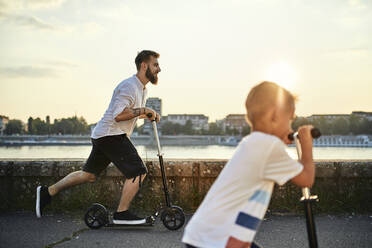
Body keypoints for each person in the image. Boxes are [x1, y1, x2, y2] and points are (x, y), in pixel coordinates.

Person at [182, 81, 315, 248]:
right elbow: (306, 179)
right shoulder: (269, 147)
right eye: (289, 120)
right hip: (217, 241)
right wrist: (307, 145)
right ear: (274, 116)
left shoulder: (252, 143)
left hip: (205, 234)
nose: (290, 127)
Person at [36, 50, 161, 225]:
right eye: (155, 65)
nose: (159, 69)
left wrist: (148, 114)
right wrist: (144, 110)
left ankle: (48, 192)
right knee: (139, 172)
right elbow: (118, 115)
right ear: (144, 65)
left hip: (104, 135)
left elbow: (130, 112)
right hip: (112, 135)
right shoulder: (129, 86)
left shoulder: (142, 89)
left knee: (88, 175)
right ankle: (121, 214)